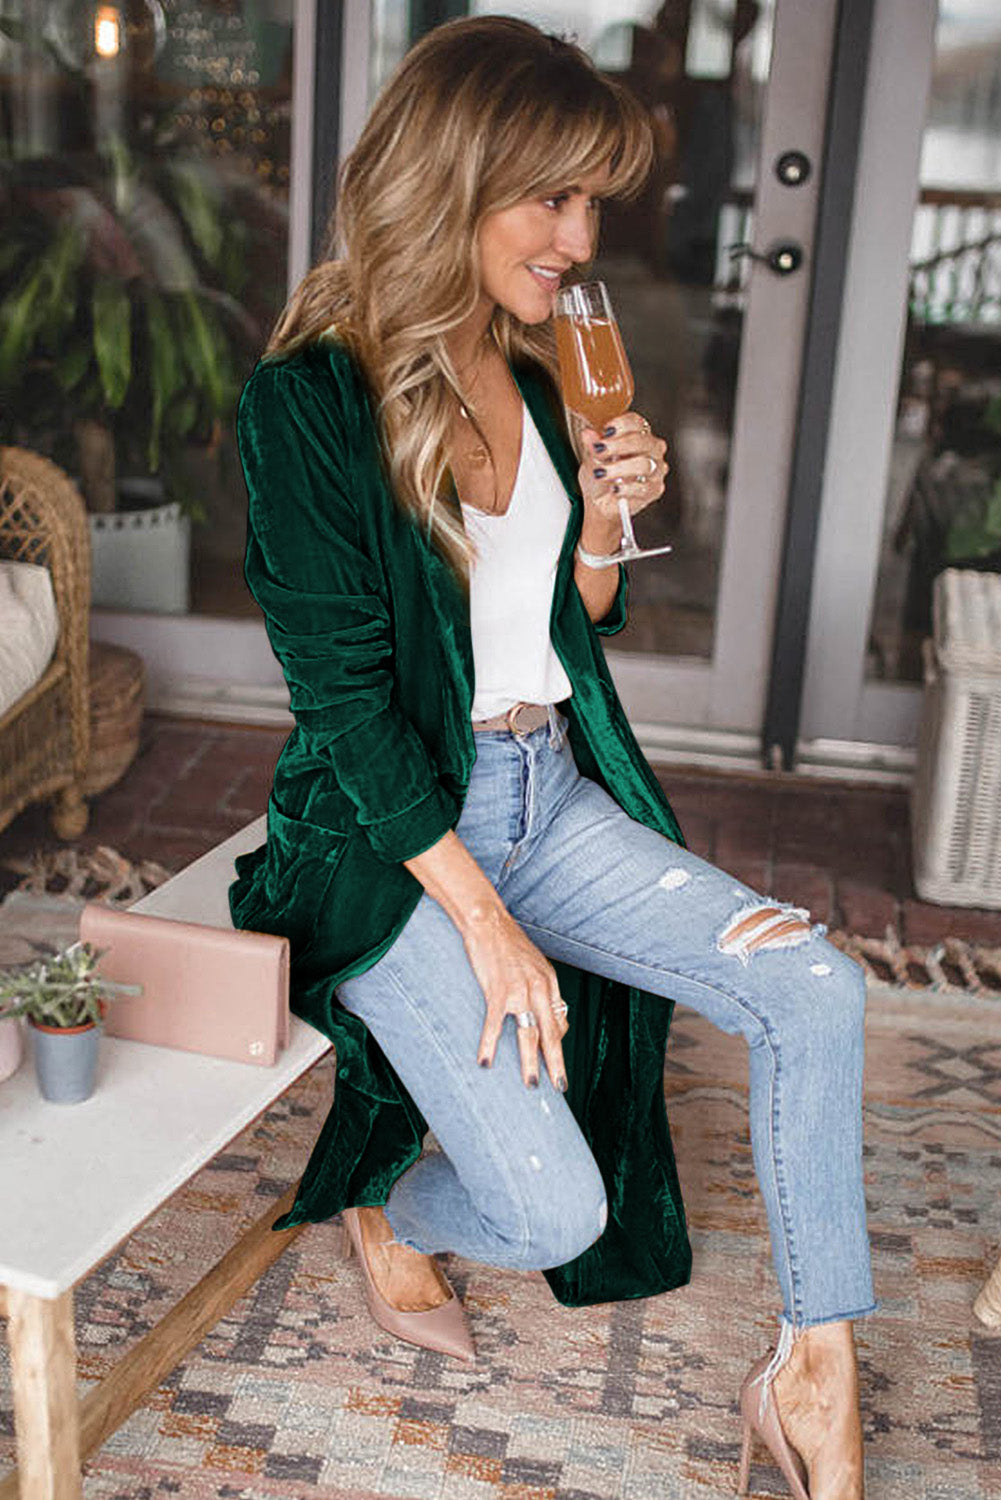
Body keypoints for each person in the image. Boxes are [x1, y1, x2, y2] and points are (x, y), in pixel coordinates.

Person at [230, 18, 875, 1499]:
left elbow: (561, 627)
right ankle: (384, 1195)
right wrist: (484, 921)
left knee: (815, 985)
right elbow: (346, 709)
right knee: (551, 1216)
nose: (583, 241)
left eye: (594, 202)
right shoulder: (307, 403)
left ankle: (812, 1373)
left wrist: (602, 519)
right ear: (451, 180)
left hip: (546, 792)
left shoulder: (532, 365)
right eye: (555, 199)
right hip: (391, 841)